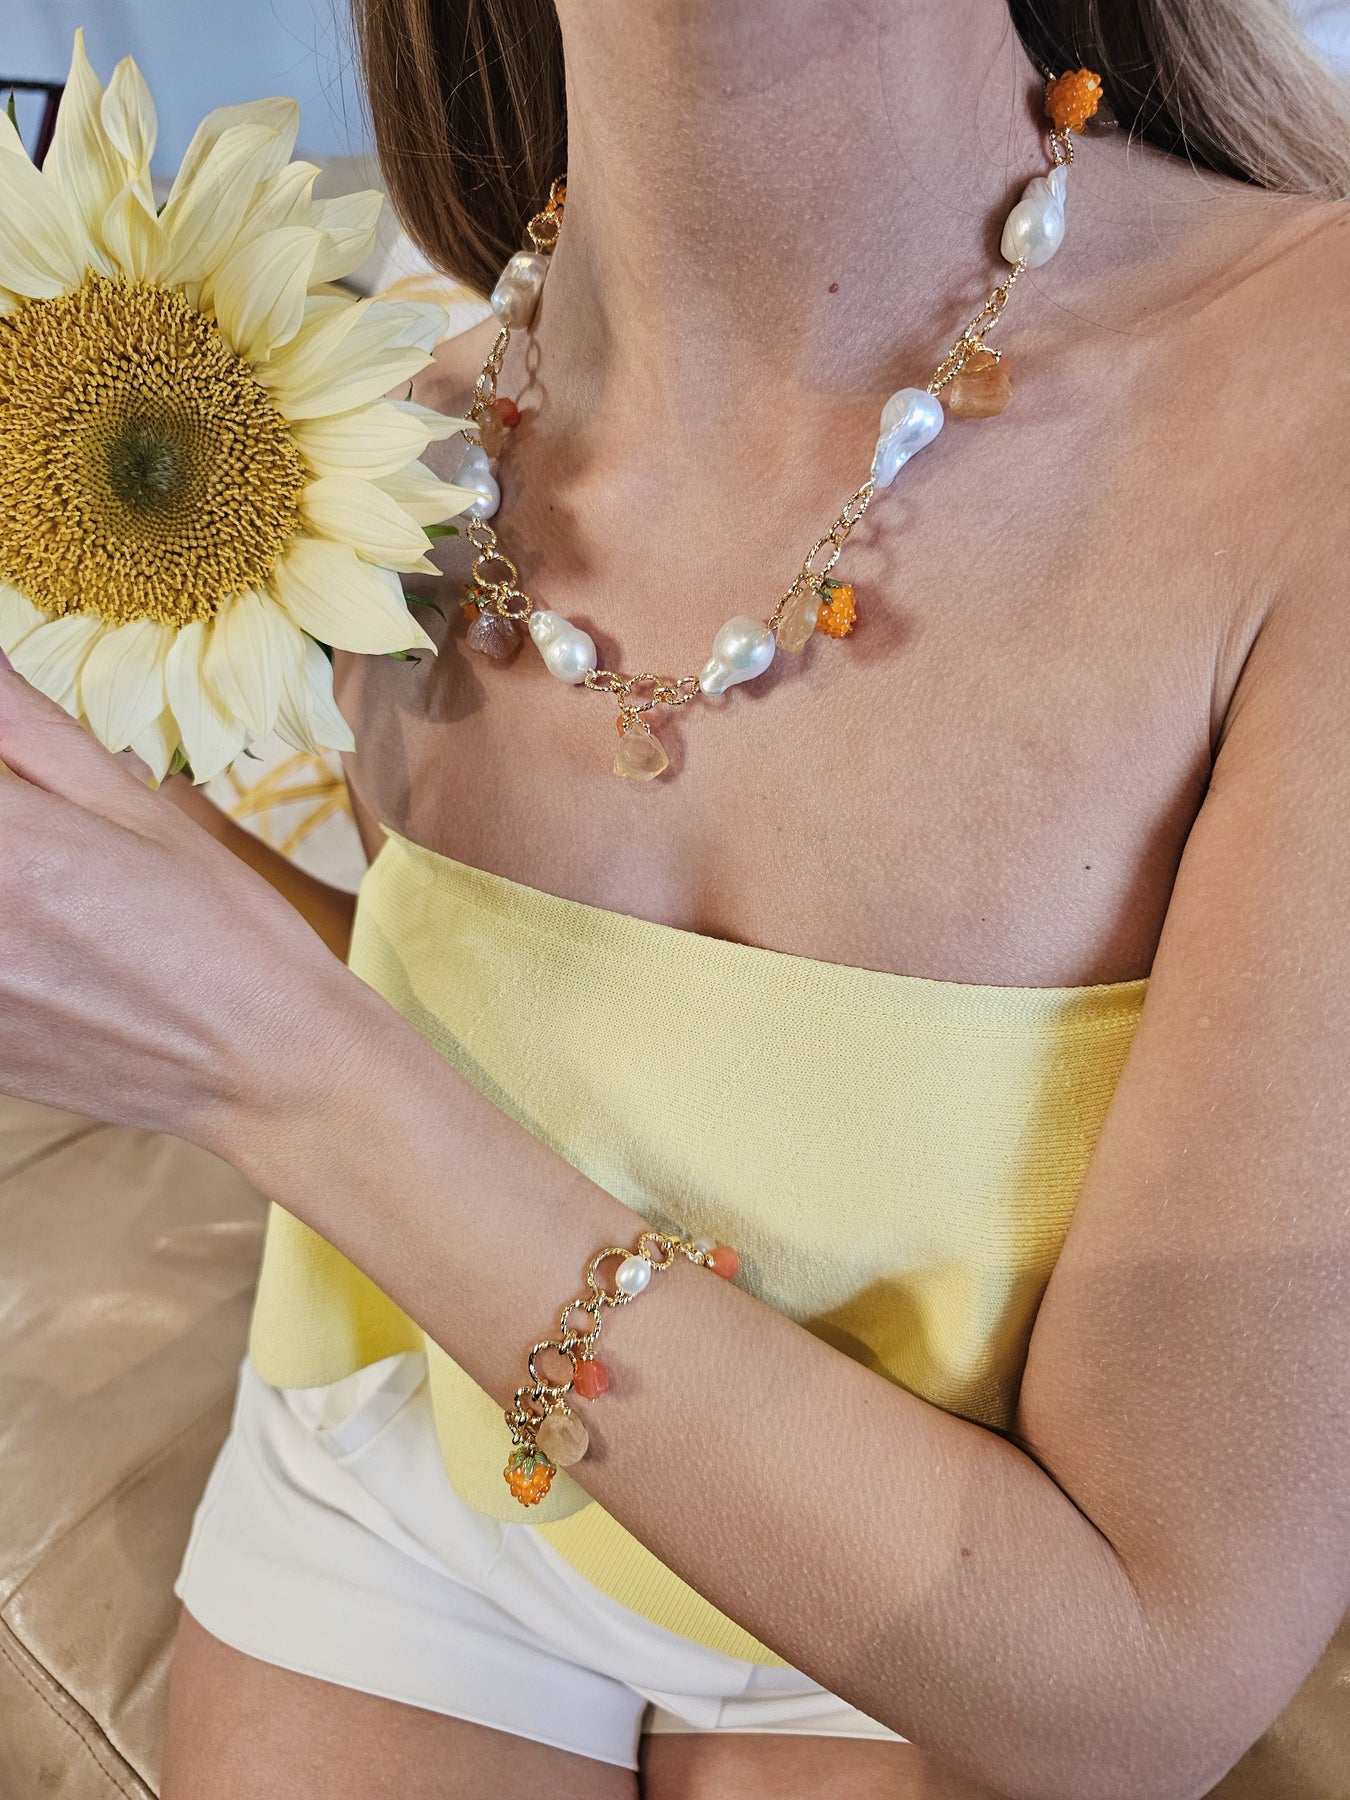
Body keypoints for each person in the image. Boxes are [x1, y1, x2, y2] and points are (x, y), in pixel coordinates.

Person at [1, 2, 1347, 1795]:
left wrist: (273, 1066)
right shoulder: (381, 451)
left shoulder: (1307, 409)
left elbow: (1137, 1685)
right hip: (400, 1452)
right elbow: (525, 1062)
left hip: (974, 1598)